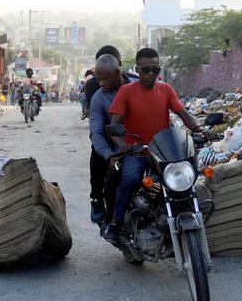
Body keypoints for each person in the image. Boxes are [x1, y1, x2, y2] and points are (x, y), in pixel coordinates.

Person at [104, 48, 206, 243]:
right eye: (146, 70)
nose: (151, 74)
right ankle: (116, 223)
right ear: (137, 69)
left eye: (155, 69)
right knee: (131, 180)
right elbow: (114, 125)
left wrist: (199, 129)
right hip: (138, 151)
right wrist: (123, 145)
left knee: (188, 177)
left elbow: (183, 114)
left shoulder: (166, 89)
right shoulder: (126, 91)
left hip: (164, 151)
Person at [87, 54, 133, 227]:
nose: (101, 83)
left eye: (105, 79)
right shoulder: (99, 97)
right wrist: (109, 154)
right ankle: (100, 202)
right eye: (99, 79)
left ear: (117, 72)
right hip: (115, 147)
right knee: (98, 154)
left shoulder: (138, 85)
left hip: (140, 144)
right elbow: (96, 132)